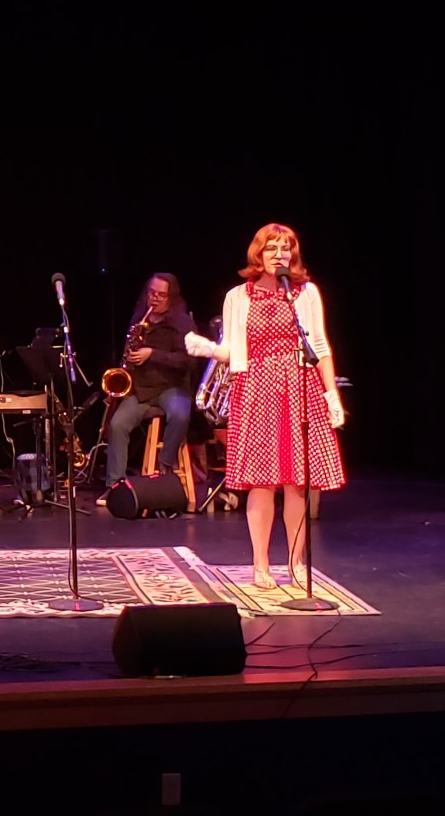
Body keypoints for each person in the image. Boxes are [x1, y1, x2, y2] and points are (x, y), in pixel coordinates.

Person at [185, 223, 346, 589]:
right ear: (258, 253)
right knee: (261, 482)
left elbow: (319, 346)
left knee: (297, 482)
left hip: (299, 387)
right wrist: (209, 349)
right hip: (256, 389)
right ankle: (260, 564)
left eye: (286, 248)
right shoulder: (237, 296)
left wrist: (331, 394)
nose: (279, 254)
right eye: (272, 248)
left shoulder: (305, 293)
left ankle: (295, 561)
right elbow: (235, 352)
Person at [97, 273, 197, 507]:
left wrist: (153, 354)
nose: (154, 299)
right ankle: (114, 487)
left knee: (181, 415)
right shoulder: (139, 319)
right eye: (152, 293)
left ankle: (165, 465)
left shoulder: (182, 323)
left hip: (172, 386)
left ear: (170, 297)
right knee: (117, 425)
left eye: (161, 295)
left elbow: (190, 361)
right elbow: (128, 357)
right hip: (141, 388)